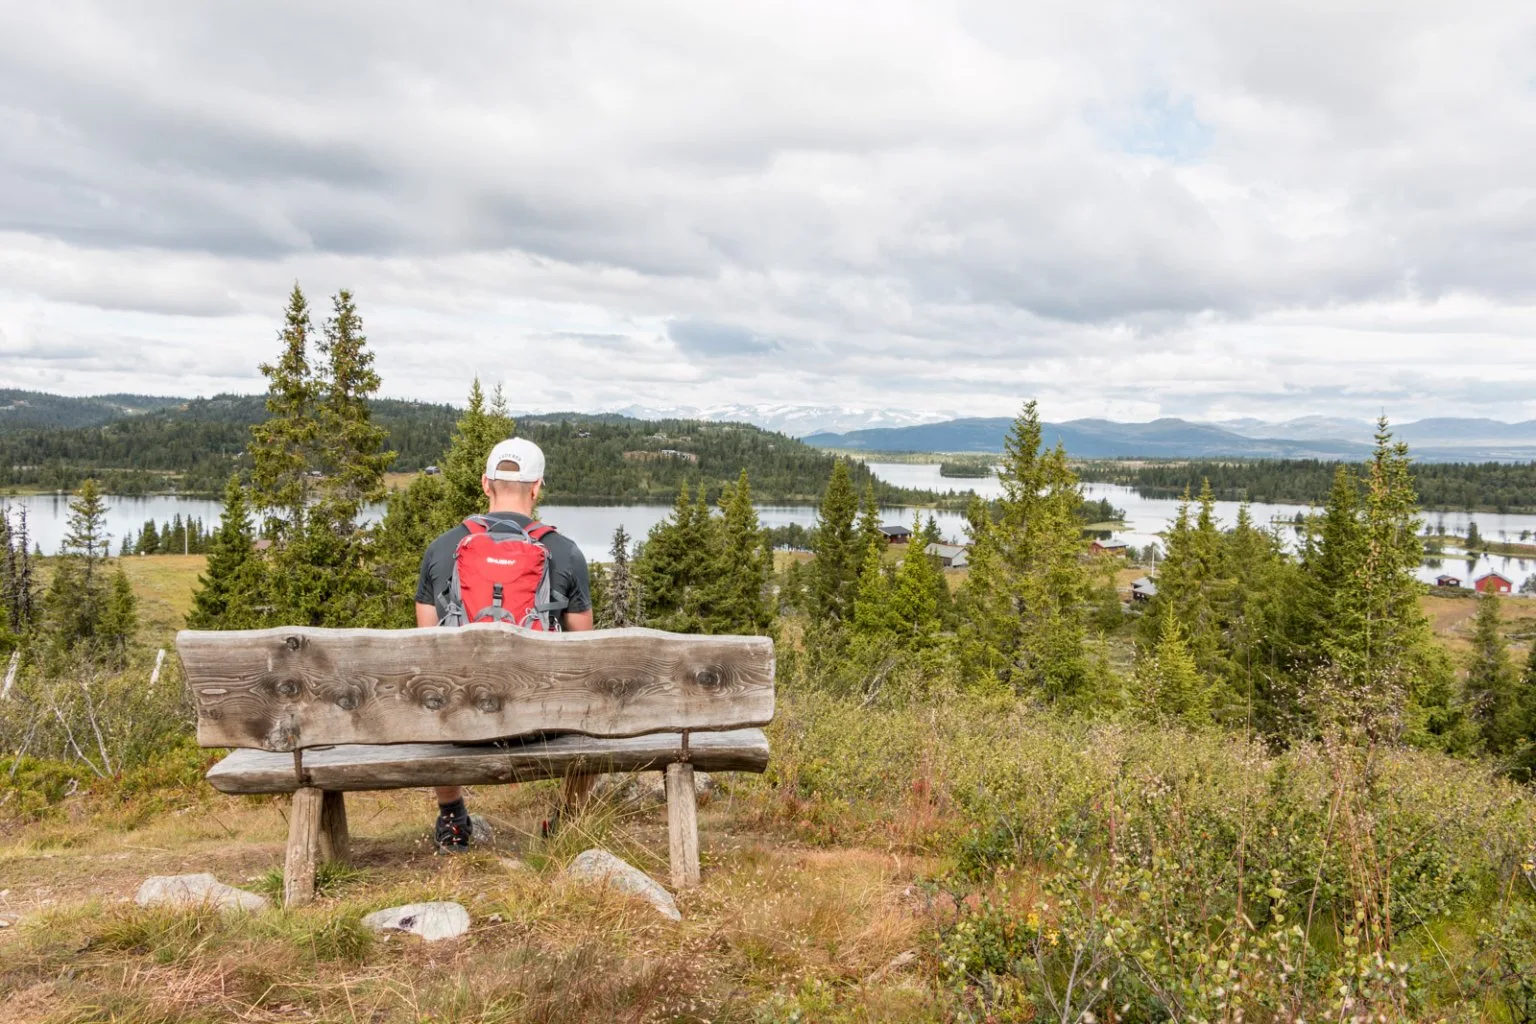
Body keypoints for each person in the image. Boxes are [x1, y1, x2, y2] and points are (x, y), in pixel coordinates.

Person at [414, 437, 594, 851]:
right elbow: (587, 653)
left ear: (485, 484)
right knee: (593, 708)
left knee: (433, 690)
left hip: (459, 724)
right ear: (537, 488)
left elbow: (424, 649)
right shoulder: (565, 554)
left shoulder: (441, 550)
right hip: (539, 723)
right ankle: (567, 819)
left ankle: (453, 819)